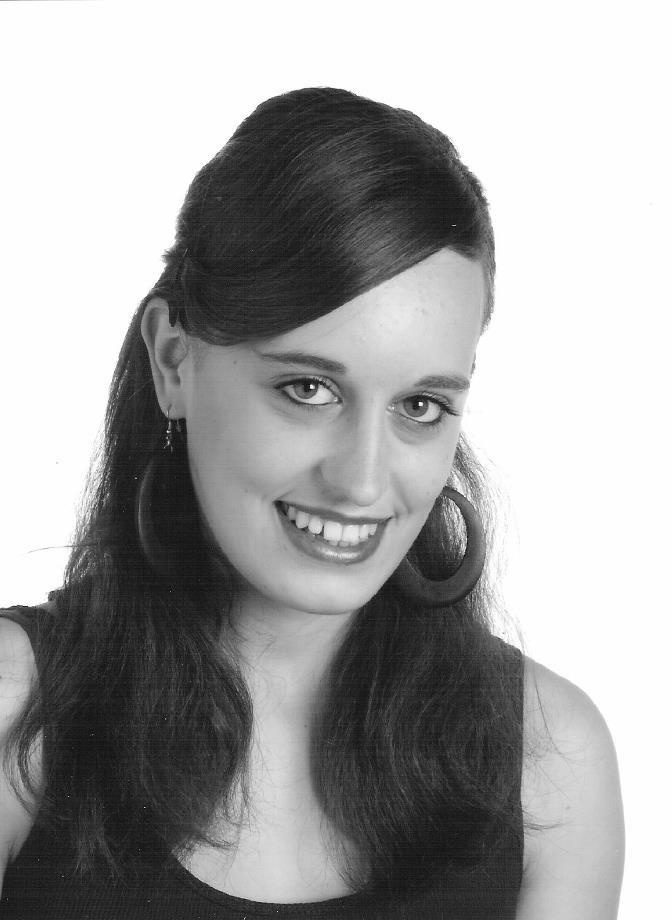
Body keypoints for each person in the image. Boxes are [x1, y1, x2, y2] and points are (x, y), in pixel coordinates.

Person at [0, 87, 624, 919]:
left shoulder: (549, 761)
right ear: (174, 361)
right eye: (308, 389)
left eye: (421, 406)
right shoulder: (16, 709)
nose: (362, 482)